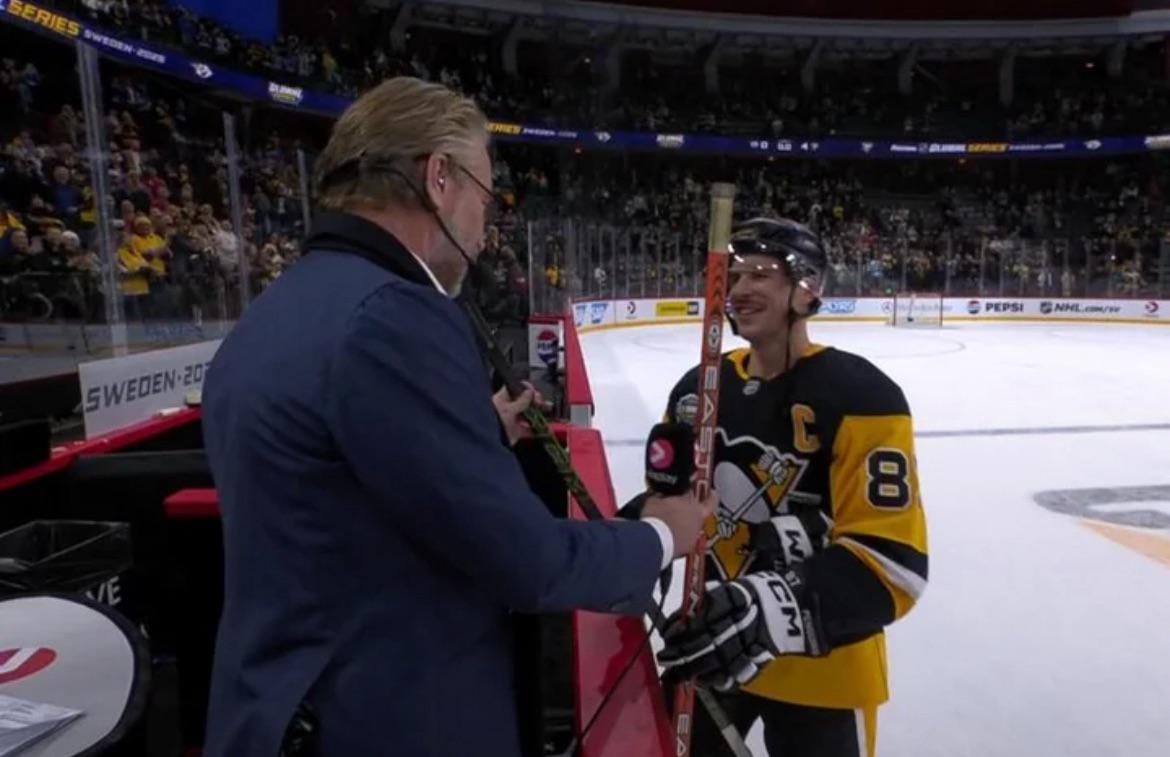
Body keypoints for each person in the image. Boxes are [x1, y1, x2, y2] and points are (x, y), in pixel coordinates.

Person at [200, 76, 715, 757]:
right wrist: (659, 535)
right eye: (485, 191)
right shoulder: (394, 315)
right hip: (381, 721)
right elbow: (526, 559)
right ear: (438, 177)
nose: (487, 220)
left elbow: (336, 488)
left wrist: (468, 436)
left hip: (277, 713)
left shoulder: (276, 310)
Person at [647, 218, 929, 756]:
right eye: (734, 276)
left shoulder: (862, 394)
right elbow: (670, 507)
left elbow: (894, 565)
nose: (741, 290)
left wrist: (766, 606)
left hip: (824, 673)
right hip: (712, 650)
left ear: (807, 289)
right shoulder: (697, 389)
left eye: (762, 275)